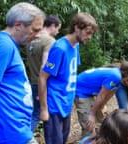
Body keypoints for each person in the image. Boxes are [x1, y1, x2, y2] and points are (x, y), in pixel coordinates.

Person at [38, 12, 98, 144]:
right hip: (54, 106)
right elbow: (42, 77)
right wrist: (43, 109)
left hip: (66, 105)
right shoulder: (60, 48)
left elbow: (70, 74)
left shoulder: (75, 46)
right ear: (77, 28)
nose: (90, 37)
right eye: (88, 33)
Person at [0, 2, 45, 144]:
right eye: (35, 30)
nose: (38, 36)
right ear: (18, 25)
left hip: (17, 131)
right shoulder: (3, 45)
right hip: (10, 133)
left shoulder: (10, 45)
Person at [75, 61, 128, 138]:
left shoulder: (120, 79)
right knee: (88, 123)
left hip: (90, 91)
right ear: (127, 77)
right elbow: (101, 95)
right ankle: (87, 138)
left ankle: (99, 139)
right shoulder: (116, 76)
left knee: (101, 119)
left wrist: (102, 105)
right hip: (81, 90)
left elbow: (111, 92)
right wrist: (92, 114)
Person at [27, 15, 61, 133]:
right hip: (43, 84)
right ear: (52, 26)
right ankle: (22, 138)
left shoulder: (31, 40)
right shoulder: (49, 41)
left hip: (32, 81)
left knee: (33, 112)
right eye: (58, 28)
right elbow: (45, 66)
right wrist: (42, 90)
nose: (58, 31)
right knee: (38, 114)